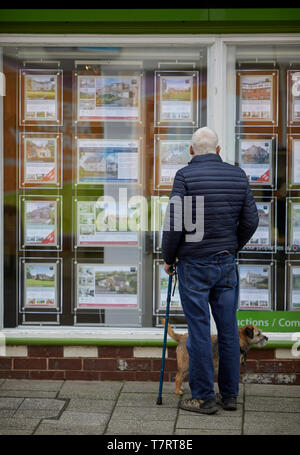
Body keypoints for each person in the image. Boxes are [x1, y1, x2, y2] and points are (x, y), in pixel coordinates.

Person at [161, 126, 259, 415]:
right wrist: (232, 246)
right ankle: (229, 396)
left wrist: (168, 257)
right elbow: (251, 220)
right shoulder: (238, 176)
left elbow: (175, 222)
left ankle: (203, 397)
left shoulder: (185, 176)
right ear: (219, 150)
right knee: (229, 330)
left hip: (193, 265)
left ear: (191, 150)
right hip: (225, 264)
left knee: (199, 331)